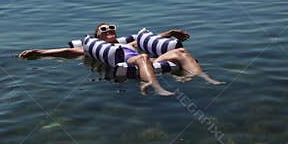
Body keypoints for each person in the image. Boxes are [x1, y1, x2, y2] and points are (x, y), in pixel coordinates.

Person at [18, 23, 225, 96]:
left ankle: (203, 77)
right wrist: (41, 52)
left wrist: (171, 33)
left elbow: (152, 40)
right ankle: (156, 87)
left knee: (181, 53)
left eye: (111, 29)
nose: (109, 31)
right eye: (104, 30)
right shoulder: (97, 49)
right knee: (143, 57)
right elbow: (67, 52)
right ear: (98, 36)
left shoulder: (129, 43)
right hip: (131, 63)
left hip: (146, 60)